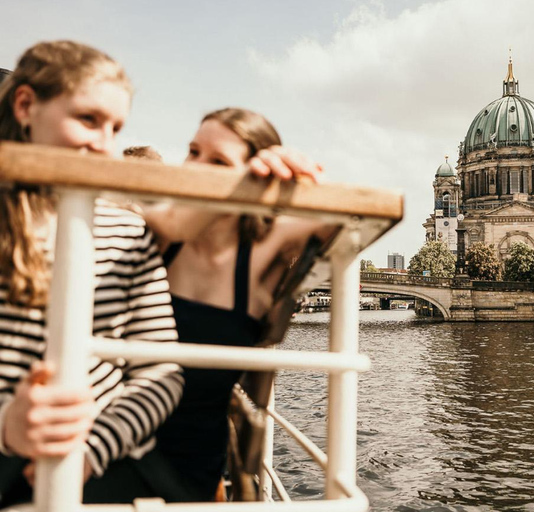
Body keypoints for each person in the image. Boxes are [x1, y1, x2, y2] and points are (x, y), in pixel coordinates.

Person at [0, 41, 185, 504]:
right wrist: (10, 424)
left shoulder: (126, 230)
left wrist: (90, 449)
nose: (105, 145)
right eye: (88, 119)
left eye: (116, 127)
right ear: (25, 105)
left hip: (100, 462)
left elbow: (160, 372)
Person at [135, 108, 325, 502]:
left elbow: (342, 222)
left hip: (189, 475)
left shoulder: (261, 253)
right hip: (112, 446)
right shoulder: (157, 232)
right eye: (192, 152)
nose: (195, 167)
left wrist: (301, 177)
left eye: (219, 161)